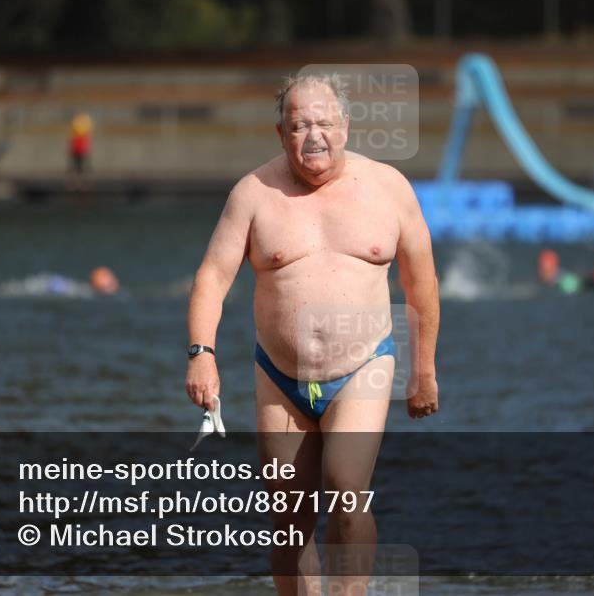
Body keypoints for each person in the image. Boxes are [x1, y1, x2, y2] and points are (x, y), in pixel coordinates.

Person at [186, 73, 440, 596]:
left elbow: (421, 282)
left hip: (363, 366)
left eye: (323, 123)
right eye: (299, 126)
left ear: (345, 125)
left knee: (347, 490)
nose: (313, 136)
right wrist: (202, 354)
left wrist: (424, 371)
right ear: (281, 133)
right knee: (289, 517)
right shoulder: (253, 193)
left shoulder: (389, 188)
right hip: (280, 376)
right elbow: (213, 276)